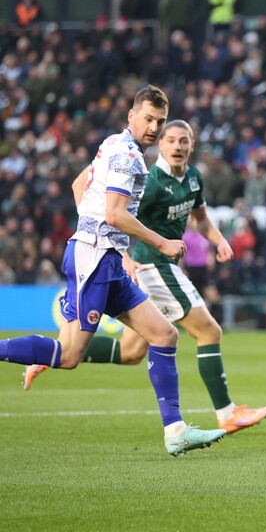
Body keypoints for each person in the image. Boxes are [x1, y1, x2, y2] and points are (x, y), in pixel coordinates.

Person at [0, 86, 226, 455]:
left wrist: (94, 232)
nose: (153, 127)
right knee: (70, 355)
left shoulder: (114, 144)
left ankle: (176, 432)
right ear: (131, 116)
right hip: (96, 259)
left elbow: (80, 187)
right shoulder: (128, 158)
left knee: (164, 336)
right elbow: (116, 214)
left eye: (160, 121)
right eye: (148, 119)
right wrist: (161, 243)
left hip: (102, 256)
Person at [23, 120, 266, 434]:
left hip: (157, 266)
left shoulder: (193, 179)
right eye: (171, 140)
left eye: (184, 141)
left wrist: (220, 240)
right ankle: (226, 413)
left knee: (130, 353)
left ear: (192, 145)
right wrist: (122, 254)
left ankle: (51, 355)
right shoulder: (149, 179)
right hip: (152, 265)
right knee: (209, 331)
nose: (178, 146)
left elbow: (201, 220)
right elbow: (89, 195)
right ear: (161, 146)